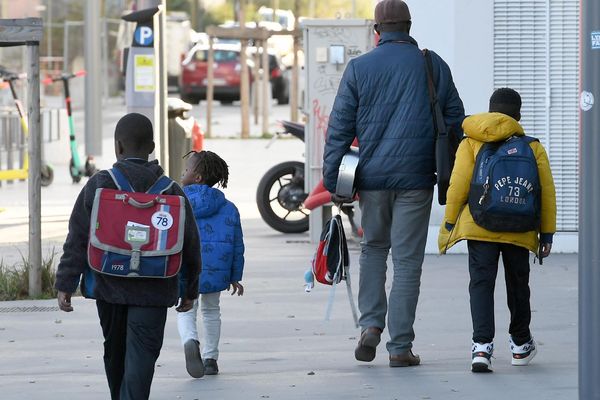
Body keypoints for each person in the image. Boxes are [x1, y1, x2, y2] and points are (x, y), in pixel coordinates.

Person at [322, 0, 465, 367]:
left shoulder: (358, 68)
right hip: (417, 177)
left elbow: (338, 128)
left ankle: (370, 324)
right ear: (409, 26)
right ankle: (400, 346)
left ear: (377, 31)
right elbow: (455, 120)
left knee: (372, 249)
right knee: (407, 262)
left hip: (372, 178)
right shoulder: (432, 64)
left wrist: (332, 178)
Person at [54, 113, 202, 399]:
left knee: (114, 352)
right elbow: (190, 245)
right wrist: (189, 290)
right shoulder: (172, 191)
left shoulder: (99, 184)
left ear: (117, 147)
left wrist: (66, 282)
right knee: (142, 360)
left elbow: (78, 237)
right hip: (155, 289)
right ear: (152, 147)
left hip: (108, 285)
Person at [438, 88, 557, 372]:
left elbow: (457, 186)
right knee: (518, 284)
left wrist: (450, 225)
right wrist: (547, 234)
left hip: (479, 224)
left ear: (490, 111)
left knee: (481, 283)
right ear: (518, 115)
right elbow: (547, 193)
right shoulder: (533, 147)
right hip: (520, 226)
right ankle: (520, 345)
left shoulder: (471, 142)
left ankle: (481, 348)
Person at [177, 150, 245, 377]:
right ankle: (210, 359)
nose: (183, 172)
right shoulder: (229, 208)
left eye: (187, 169)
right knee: (211, 311)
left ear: (196, 178)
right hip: (217, 271)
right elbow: (237, 245)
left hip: (186, 269)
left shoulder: (179, 204)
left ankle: (190, 340)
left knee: (187, 309)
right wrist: (235, 275)